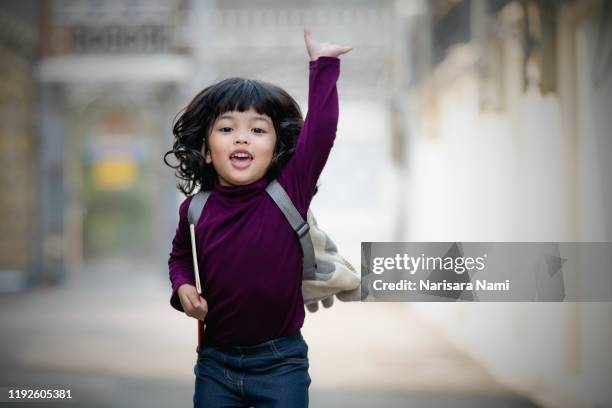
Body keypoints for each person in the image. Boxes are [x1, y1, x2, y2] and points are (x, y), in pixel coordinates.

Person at [163, 28, 352, 407]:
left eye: (258, 129)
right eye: (227, 128)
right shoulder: (195, 209)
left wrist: (323, 65)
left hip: (281, 363)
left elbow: (322, 132)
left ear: (276, 147)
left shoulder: (289, 192)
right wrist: (183, 289)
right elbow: (180, 258)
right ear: (206, 147)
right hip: (215, 362)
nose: (242, 138)